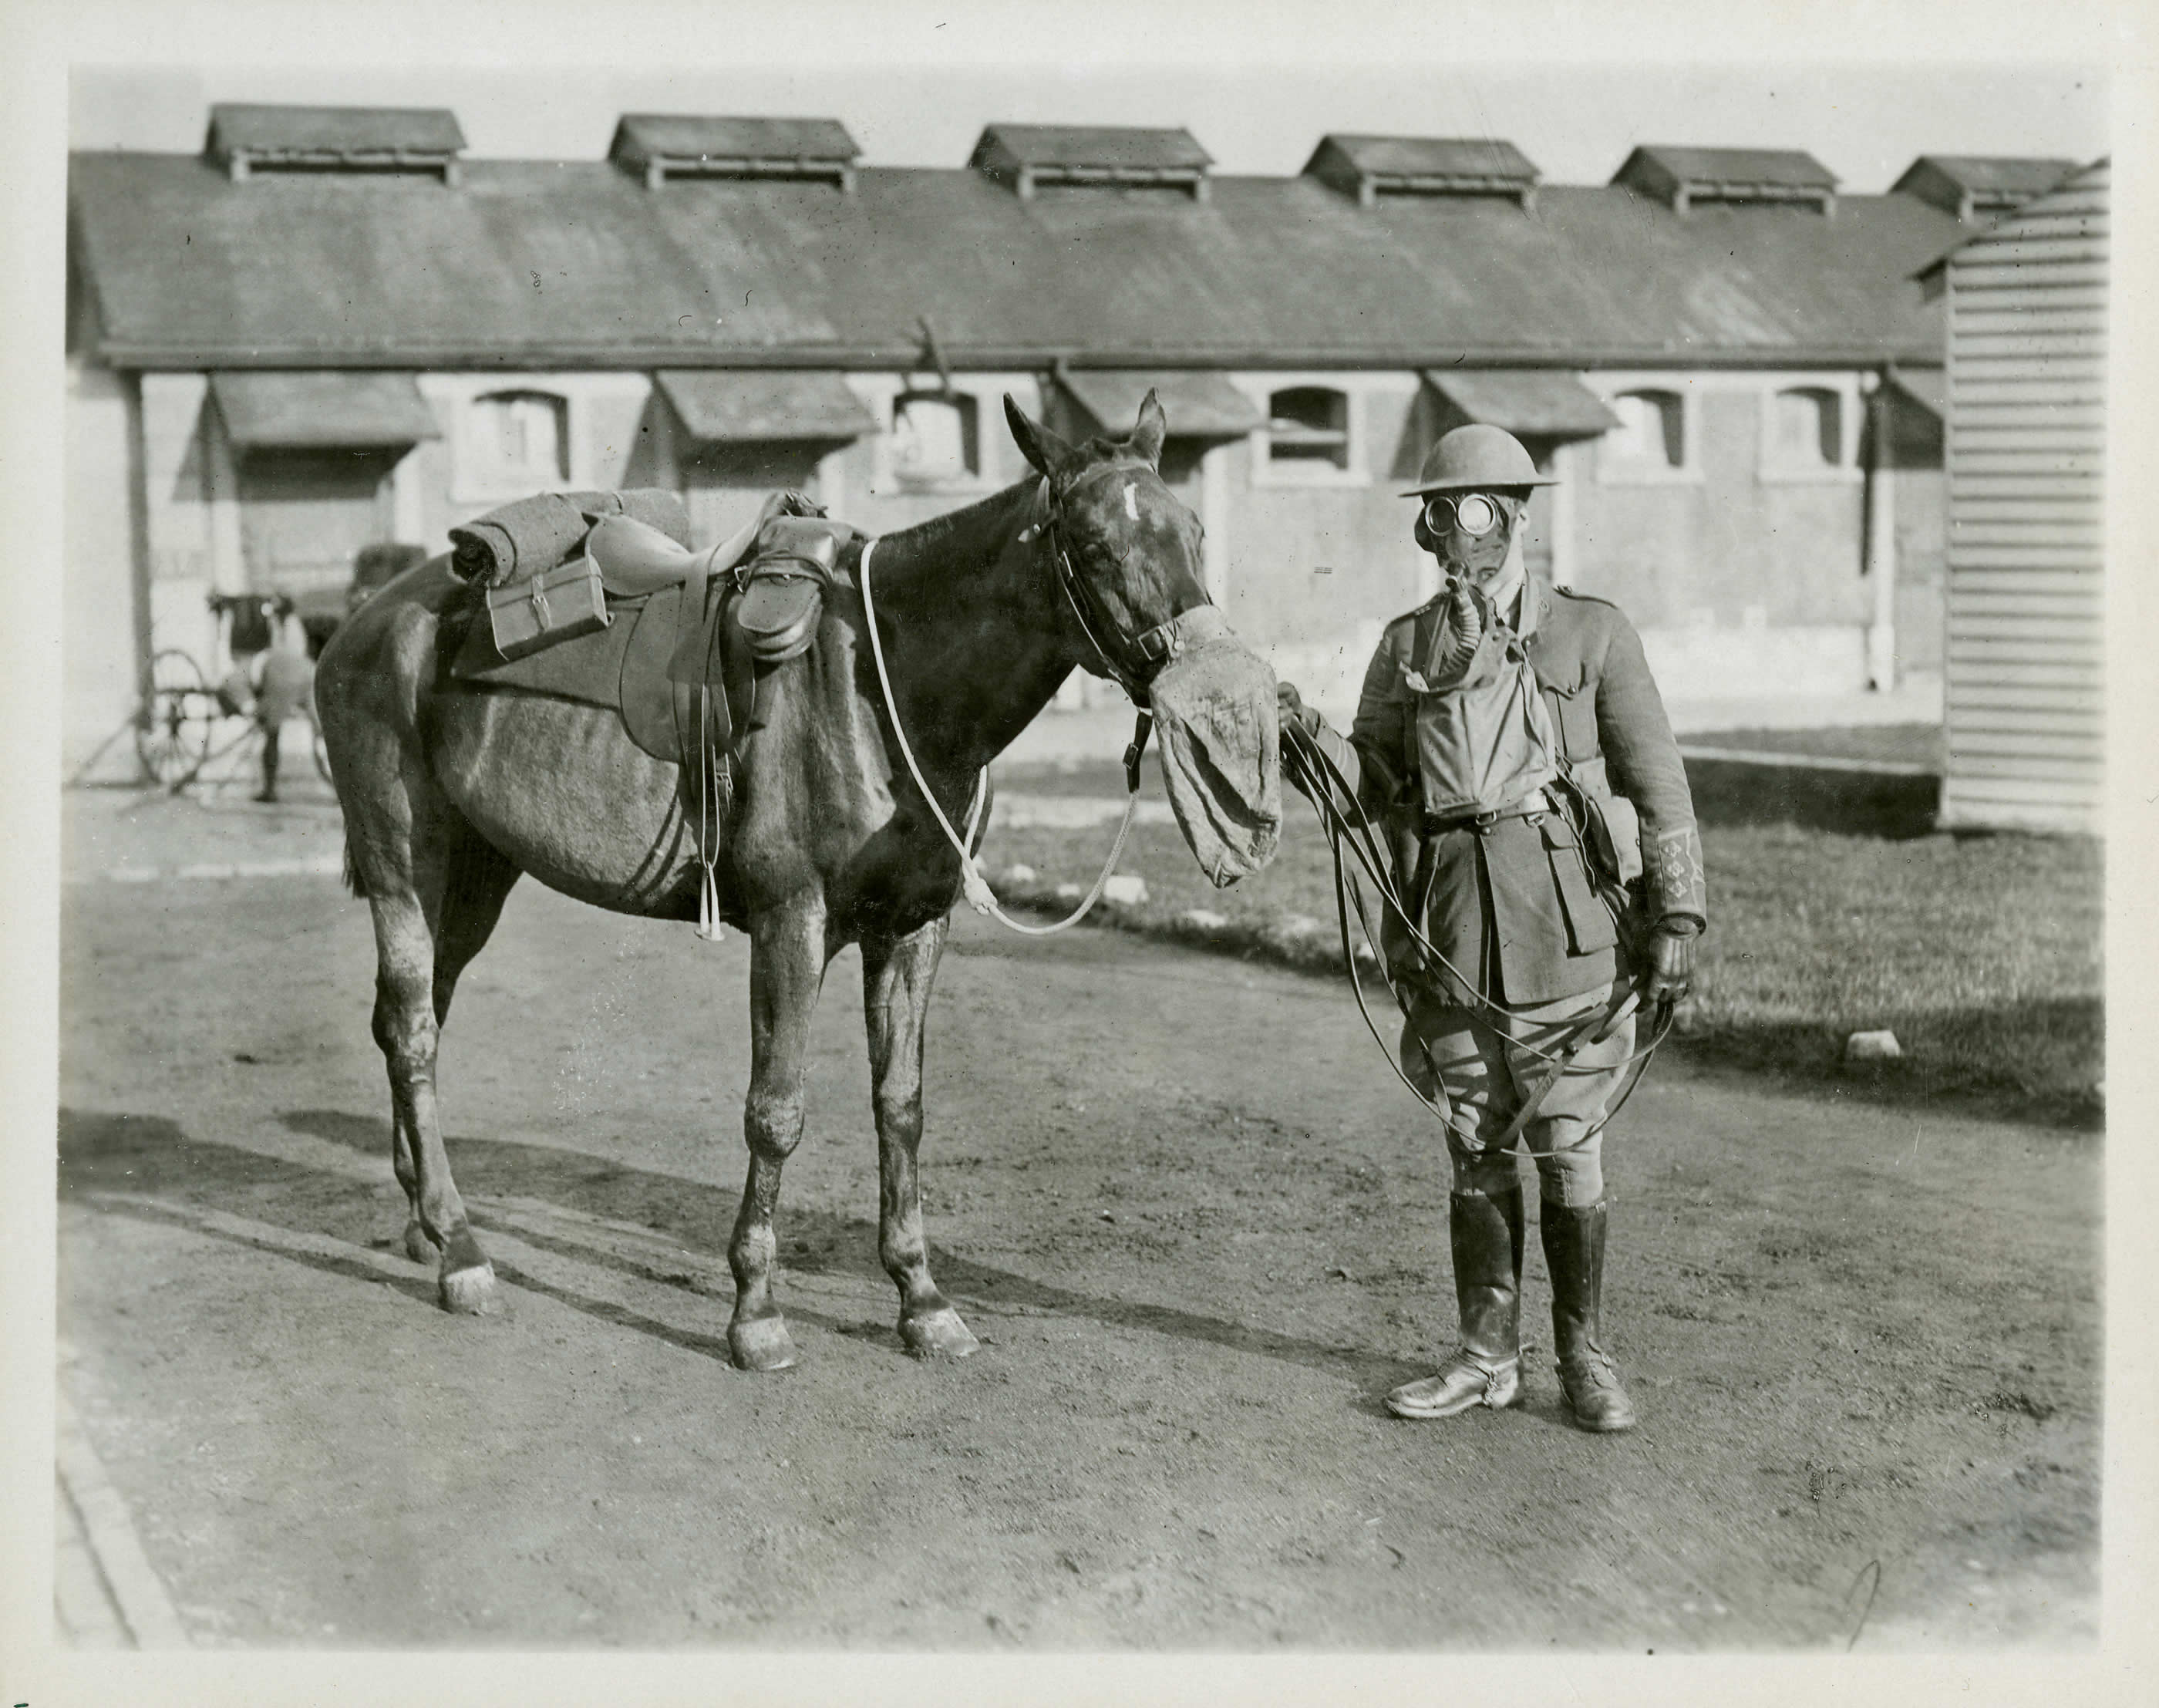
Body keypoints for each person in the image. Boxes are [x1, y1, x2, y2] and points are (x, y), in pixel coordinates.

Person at [1276, 424, 1706, 1433]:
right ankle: (1485, 1357)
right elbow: (1374, 780)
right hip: (1452, 930)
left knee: (1568, 1146)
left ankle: (1582, 1357)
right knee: (1475, 1144)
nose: (1458, 529)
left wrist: (1677, 911)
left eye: (1478, 508)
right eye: (1440, 512)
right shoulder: (1406, 645)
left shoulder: (1590, 633)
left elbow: (1658, 781)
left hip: (1570, 928)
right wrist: (1305, 737)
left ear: (1517, 514)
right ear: (1424, 530)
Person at [248, 599, 316, 803]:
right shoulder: (281, 627)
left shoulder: (290, 628)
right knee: (272, 734)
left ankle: (270, 788)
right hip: (292, 676)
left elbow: (284, 658)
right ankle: (269, 787)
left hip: (289, 677)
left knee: (272, 733)